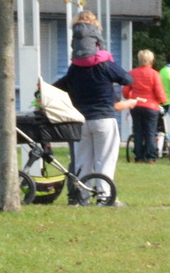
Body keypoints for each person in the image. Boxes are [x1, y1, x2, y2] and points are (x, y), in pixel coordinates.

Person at [54, 39, 135, 199]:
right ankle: (103, 197)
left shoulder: (74, 68)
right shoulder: (105, 65)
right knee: (104, 160)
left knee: (82, 161)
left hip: (80, 120)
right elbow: (128, 79)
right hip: (103, 118)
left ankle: (82, 196)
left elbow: (60, 86)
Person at [124, 49, 166, 162]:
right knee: (150, 132)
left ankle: (139, 156)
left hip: (136, 105)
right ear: (151, 60)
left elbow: (125, 91)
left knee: (138, 131)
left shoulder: (132, 73)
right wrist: (163, 100)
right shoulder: (154, 74)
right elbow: (159, 92)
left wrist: (130, 97)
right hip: (151, 106)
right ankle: (150, 156)